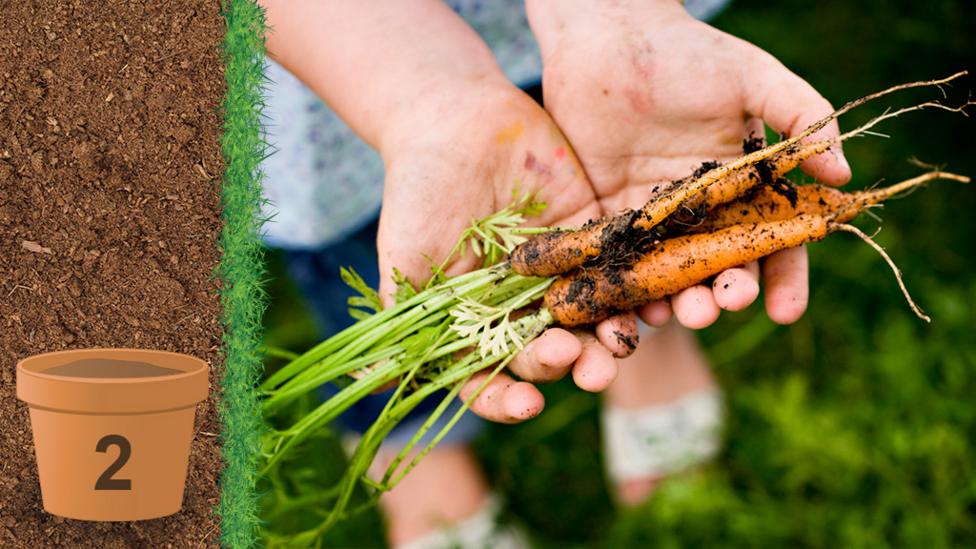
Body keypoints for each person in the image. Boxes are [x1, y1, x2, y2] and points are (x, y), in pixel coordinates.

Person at [259, 1, 851, 547]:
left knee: (590, 131)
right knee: (381, 240)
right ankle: (417, 456)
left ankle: (646, 341)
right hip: (332, 46)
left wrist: (617, 18)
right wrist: (432, 104)